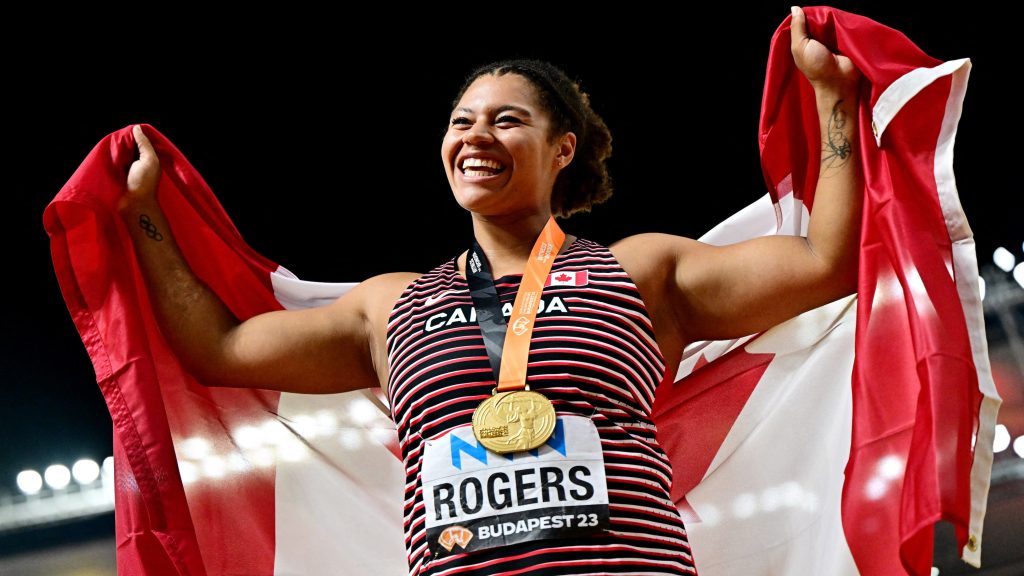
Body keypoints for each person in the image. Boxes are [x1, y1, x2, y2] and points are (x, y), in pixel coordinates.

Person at [120, 7, 861, 575]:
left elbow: (828, 261)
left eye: (508, 120)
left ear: (561, 148)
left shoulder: (642, 273)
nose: (476, 136)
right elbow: (218, 349)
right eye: (460, 122)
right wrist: (145, 216)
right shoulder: (391, 308)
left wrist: (832, 96)